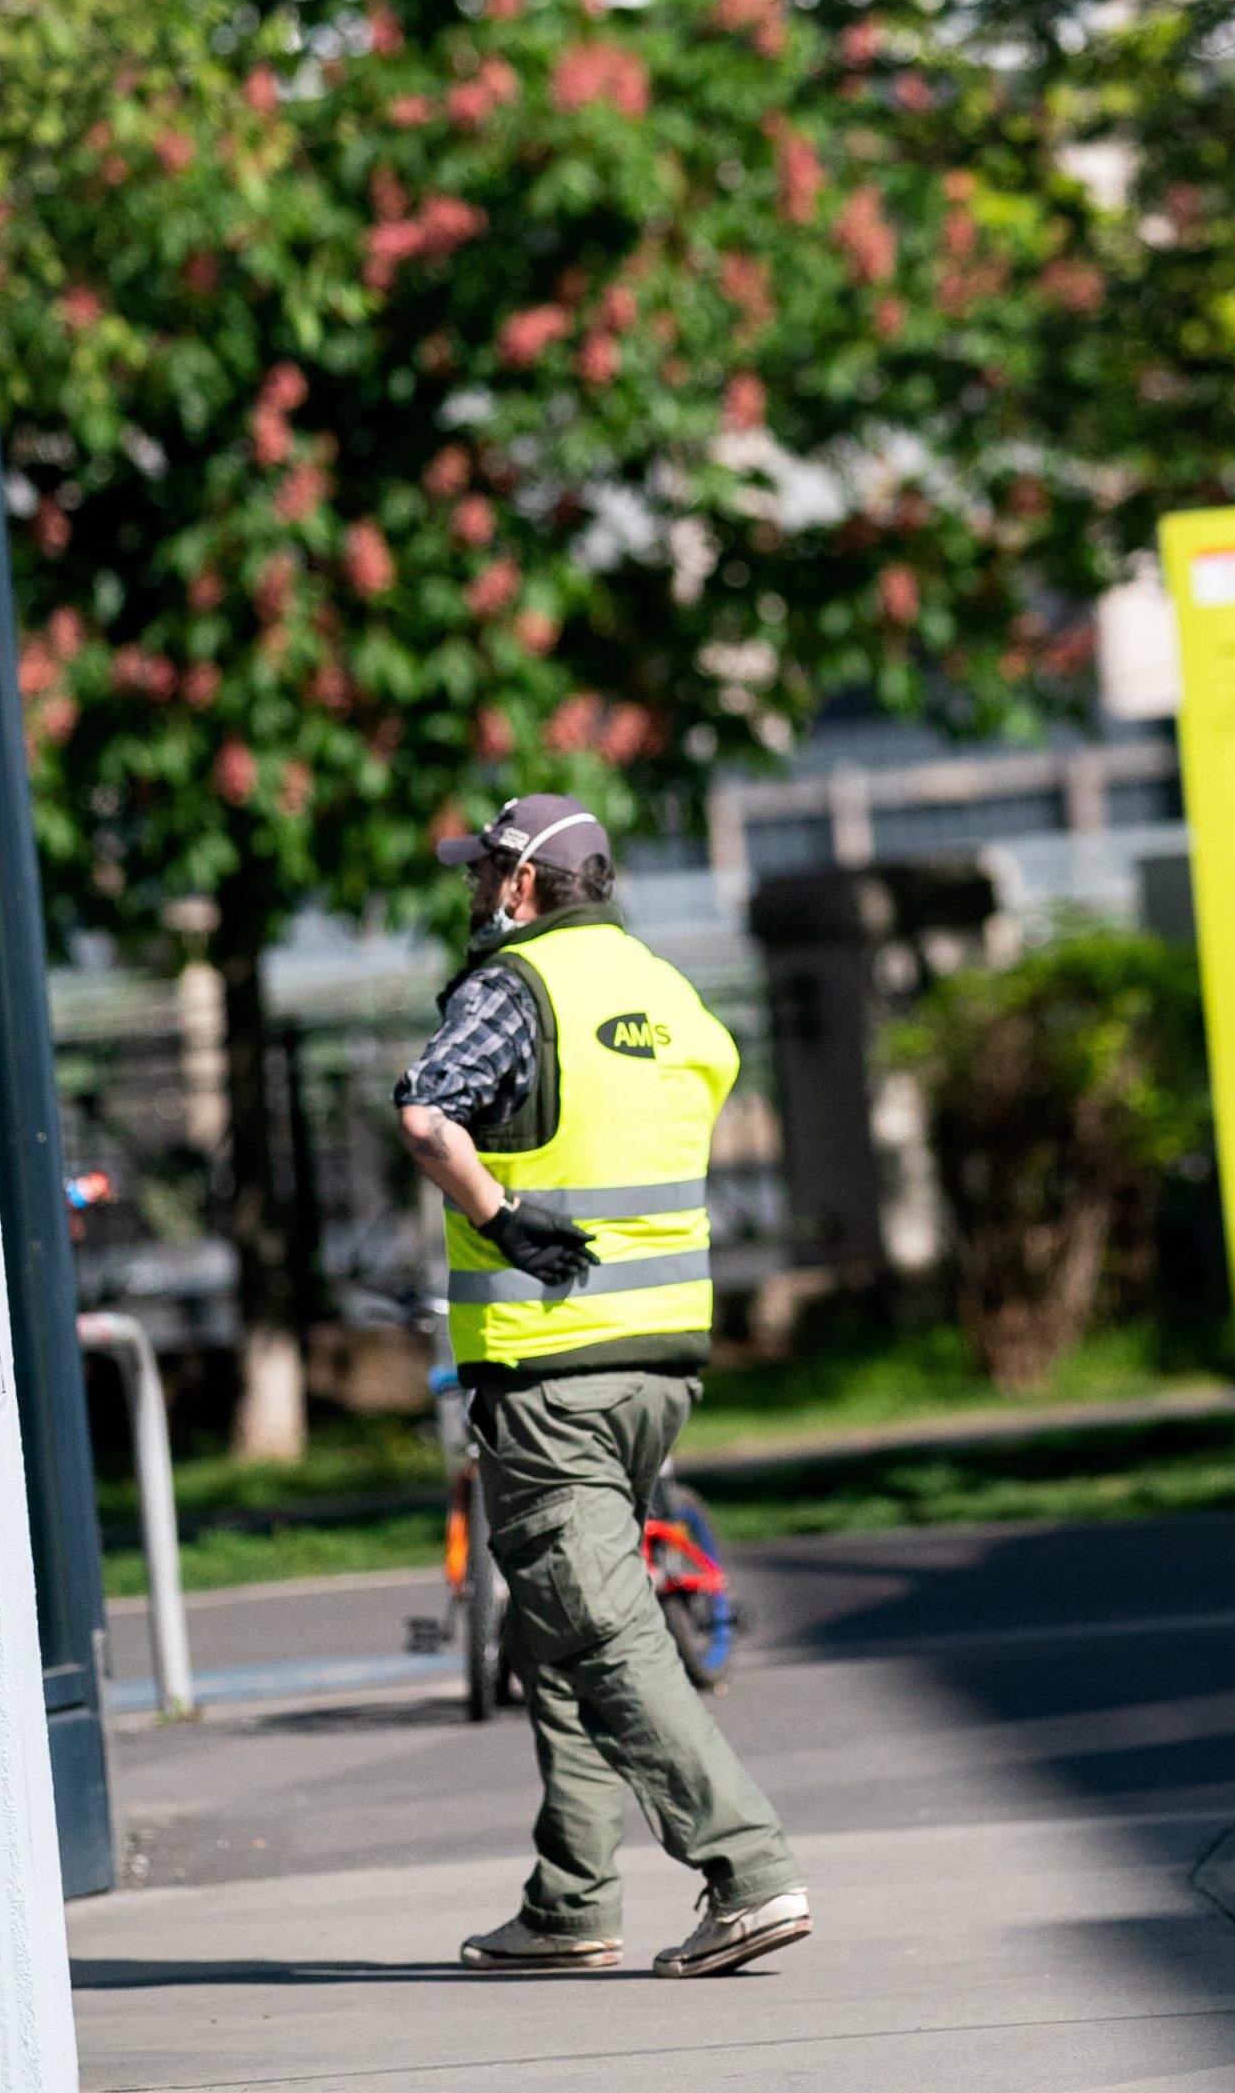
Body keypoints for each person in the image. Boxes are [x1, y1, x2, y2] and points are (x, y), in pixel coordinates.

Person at [391, 792, 812, 1980]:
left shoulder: (511, 990)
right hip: (660, 1363)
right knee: (557, 1619)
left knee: (604, 1625)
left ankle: (748, 1868)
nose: (474, 891)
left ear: (523, 885)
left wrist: (501, 1211)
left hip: (548, 1368)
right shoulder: (665, 993)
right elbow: (709, 1075)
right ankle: (573, 1896)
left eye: (483, 873)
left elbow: (427, 1116)